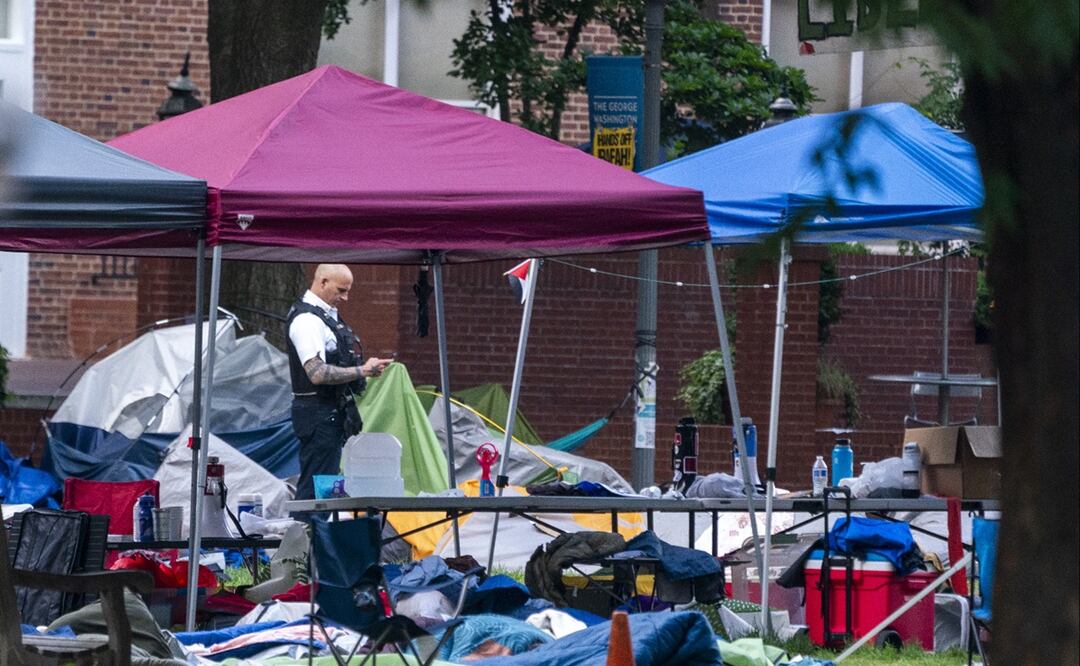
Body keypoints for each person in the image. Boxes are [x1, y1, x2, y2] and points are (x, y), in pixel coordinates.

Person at [287, 264, 393, 500]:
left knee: (326, 488)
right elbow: (316, 373)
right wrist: (362, 371)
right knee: (316, 492)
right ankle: (308, 524)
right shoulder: (307, 320)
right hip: (318, 414)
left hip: (329, 414)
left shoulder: (324, 316)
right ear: (322, 282)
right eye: (341, 290)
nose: (345, 298)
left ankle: (316, 523)